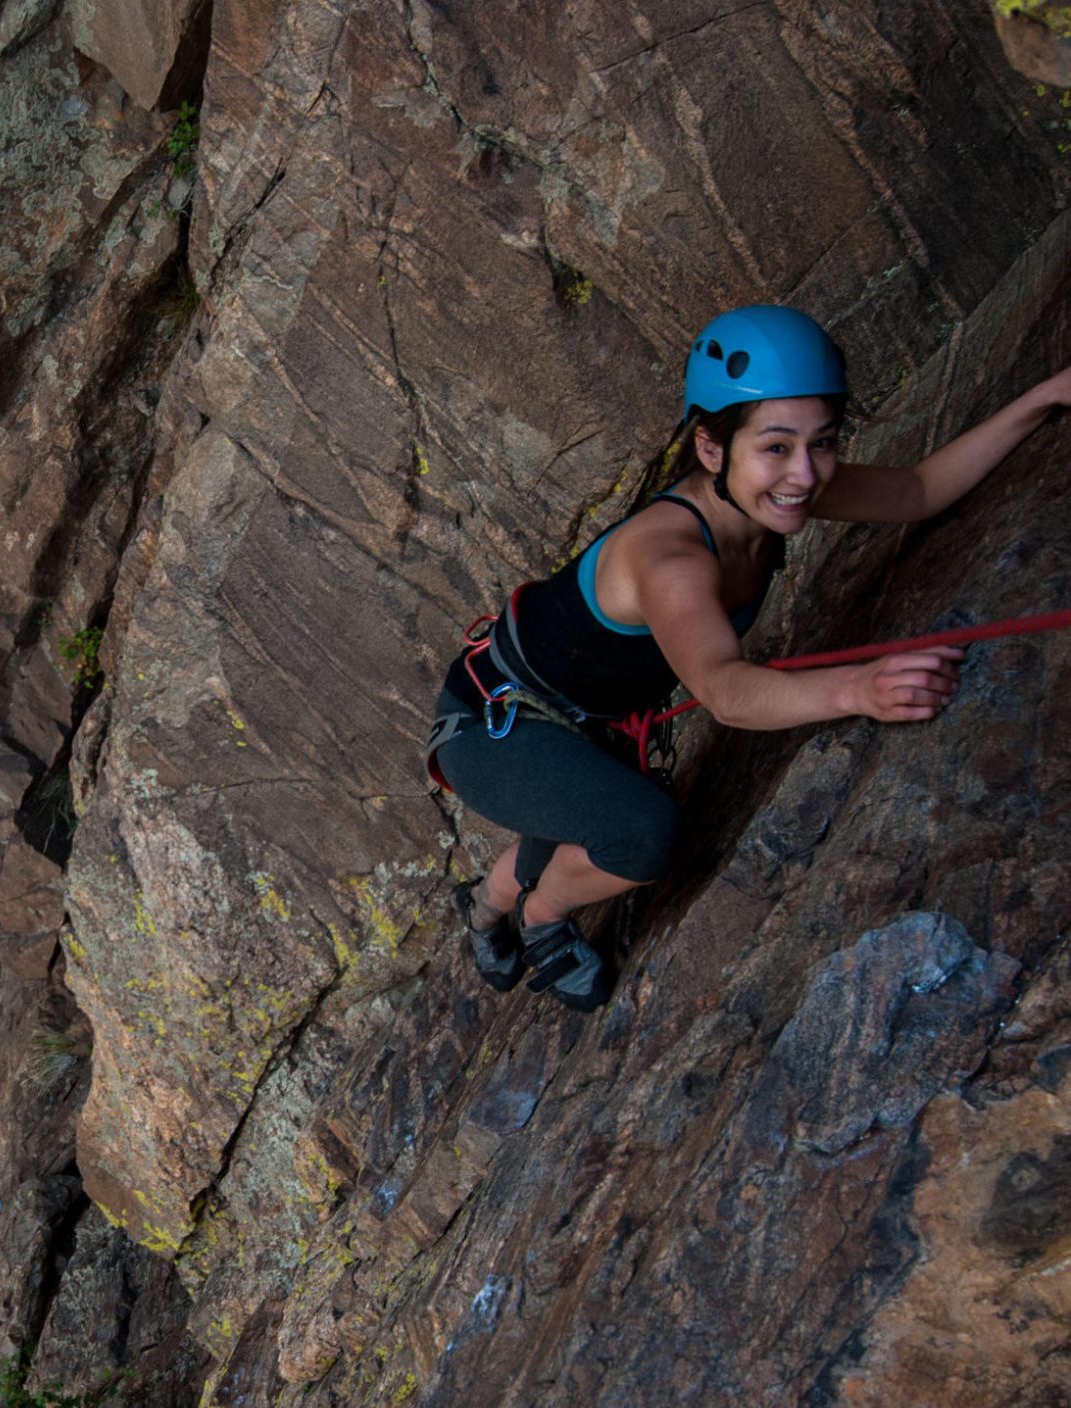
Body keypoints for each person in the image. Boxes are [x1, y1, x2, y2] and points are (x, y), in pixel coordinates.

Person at [429, 304, 1071, 1010]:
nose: (805, 473)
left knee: (590, 811)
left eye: (822, 442)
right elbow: (728, 693)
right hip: (497, 726)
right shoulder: (670, 557)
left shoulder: (770, 493)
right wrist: (857, 689)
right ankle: (541, 915)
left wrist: (1043, 399)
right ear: (711, 448)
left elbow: (915, 491)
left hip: (582, 719)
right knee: (642, 832)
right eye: (776, 447)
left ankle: (489, 905)